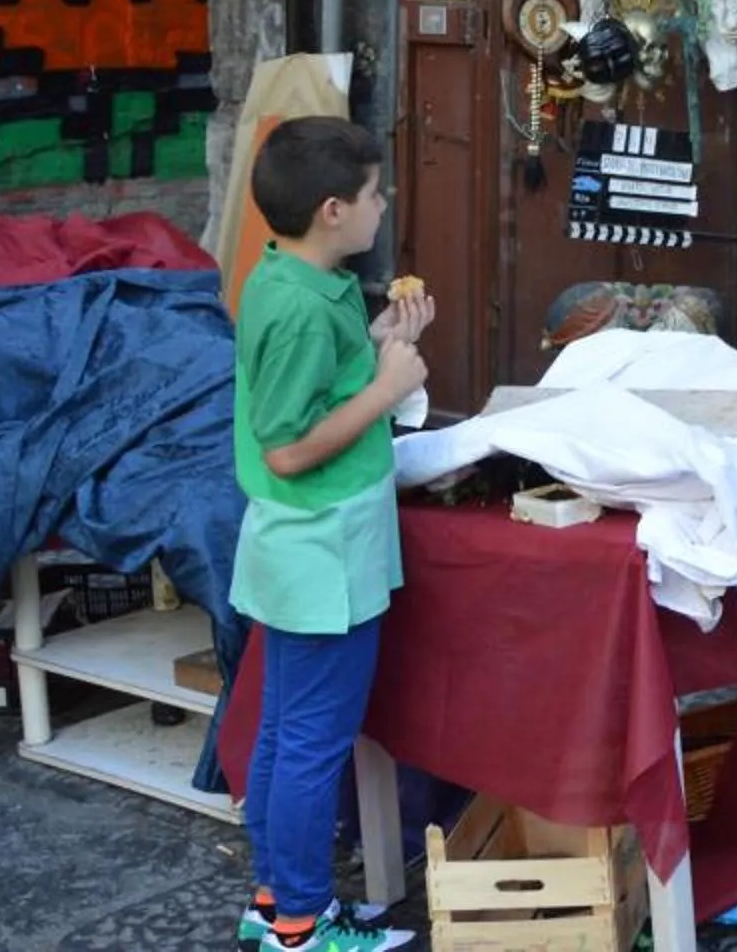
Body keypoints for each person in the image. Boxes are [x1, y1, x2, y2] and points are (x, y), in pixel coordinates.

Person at [233, 118, 430, 952]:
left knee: (286, 730)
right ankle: (303, 929)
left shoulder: (291, 281)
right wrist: (387, 389)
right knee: (314, 744)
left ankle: (278, 902)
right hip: (323, 554)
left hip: (297, 552)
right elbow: (287, 449)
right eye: (374, 195)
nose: (383, 207)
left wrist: (382, 344)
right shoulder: (305, 311)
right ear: (332, 210)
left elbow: (316, 388)